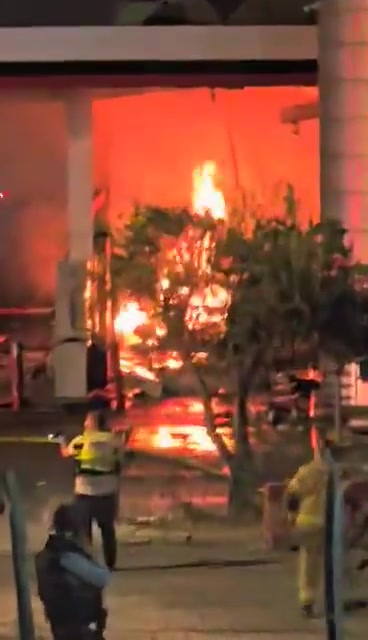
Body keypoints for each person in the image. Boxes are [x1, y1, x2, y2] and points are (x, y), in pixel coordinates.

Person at [285, 432, 345, 618]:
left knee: (310, 565)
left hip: (310, 524)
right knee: (336, 564)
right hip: (336, 525)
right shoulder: (343, 473)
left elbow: (292, 495)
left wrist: (291, 518)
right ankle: (335, 602)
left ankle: (308, 602)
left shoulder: (309, 471)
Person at [35, 503, 110, 640]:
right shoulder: (68, 557)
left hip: (60, 624)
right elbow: (102, 578)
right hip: (79, 627)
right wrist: (95, 553)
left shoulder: (48, 554)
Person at [60, 410, 121, 569]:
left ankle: (88, 562)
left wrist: (61, 441)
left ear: (92, 423)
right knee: (107, 529)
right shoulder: (114, 440)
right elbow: (121, 459)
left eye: (86, 420)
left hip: (84, 492)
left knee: (84, 530)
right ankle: (110, 563)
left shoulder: (80, 441)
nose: (84, 423)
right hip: (107, 491)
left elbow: (66, 453)